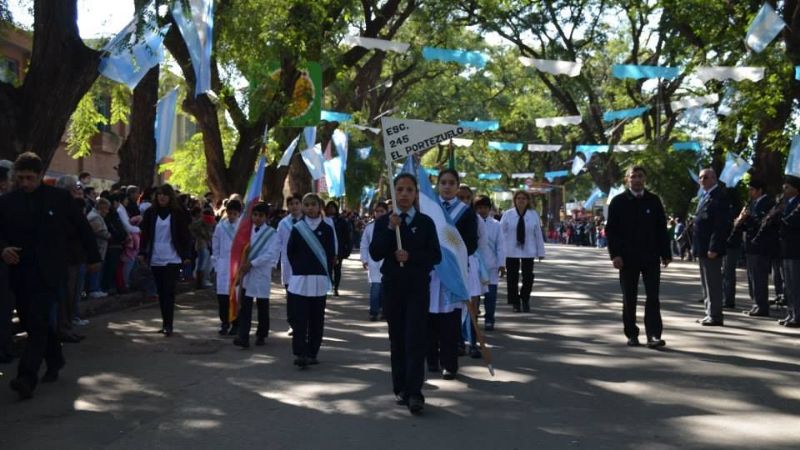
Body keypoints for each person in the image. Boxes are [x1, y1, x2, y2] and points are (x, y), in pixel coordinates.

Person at [0, 152, 101, 399]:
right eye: (21, 178)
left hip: (50, 273)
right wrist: (3, 249)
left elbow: (81, 227)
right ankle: (55, 359)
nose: (25, 183)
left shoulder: (59, 199)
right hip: (20, 272)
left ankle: (26, 377)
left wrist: (94, 257)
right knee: (35, 322)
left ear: (39, 176)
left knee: (37, 324)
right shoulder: (8, 202)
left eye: (30, 178)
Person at [370, 173, 441, 415]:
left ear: (415, 194)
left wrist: (411, 257)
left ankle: (415, 392)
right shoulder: (384, 222)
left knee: (415, 339)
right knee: (397, 339)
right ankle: (400, 387)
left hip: (418, 288)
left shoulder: (425, 222)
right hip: (393, 287)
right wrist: (391, 229)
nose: (404, 194)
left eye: (409, 190)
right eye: (400, 189)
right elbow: (376, 252)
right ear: (393, 193)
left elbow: (435, 256)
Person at [605, 166, 672, 347]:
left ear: (645, 179)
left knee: (653, 296)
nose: (637, 180)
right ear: (627, 180)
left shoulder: (654, 200)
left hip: (651, 257)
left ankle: (654, 335)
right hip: (627, 258)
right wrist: (615, 255)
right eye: (633, 177)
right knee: (629, 296)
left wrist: (666, 253)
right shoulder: (618, 202)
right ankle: (631, 334)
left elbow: (661, 229)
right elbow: (611, 231)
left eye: (640, 176)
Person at [428, 169, 476, 380]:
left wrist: (452, 252)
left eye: (451, 183)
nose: (447, 186)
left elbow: (471, 243)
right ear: (438, 185)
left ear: (458, 186)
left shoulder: (465, 212)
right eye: (443, 182)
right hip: (431, 271)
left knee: (450, 320)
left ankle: (450, 364)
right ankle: (431, 360)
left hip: (454, 271)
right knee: (429, 319)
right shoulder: (429, 209)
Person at [286, 193, 336, 368]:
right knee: (300, 318)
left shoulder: (328, 229)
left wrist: (326, 273)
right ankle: (300, 352)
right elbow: (290, 251)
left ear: (319, 206)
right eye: (306, 205)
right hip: (300, 280)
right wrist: (299, 268)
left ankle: (312, 352)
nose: (309, 208)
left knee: (316, 318)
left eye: (313, 204)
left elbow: (331, 254)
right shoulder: (297, 228)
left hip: (319, 280)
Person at [138, 184, 192, 336]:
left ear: (170, 197)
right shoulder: (150, 213)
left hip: (172, 257)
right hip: (156, 256)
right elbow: (145, 235)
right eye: (159, 194)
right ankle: (164, 323)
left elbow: (185, 236)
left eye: (165, 195)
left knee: (169, 290)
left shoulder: (177, 213)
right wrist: (142, 252)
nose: (162, 197)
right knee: (161, 292)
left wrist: (187, 255)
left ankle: (169, 324)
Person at [233, 202, 280, 348]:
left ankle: (261, 334)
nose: (257, 218)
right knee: (245, 306)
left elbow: (270, 254)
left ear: (266, 217)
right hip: (247, 273)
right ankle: (243, 336)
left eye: (260, 215)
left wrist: (252, 263)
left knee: (262, 306)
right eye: (255, 215)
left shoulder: (272, 233)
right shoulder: (247, 231)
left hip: (260, 272)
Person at [693, 168, 732, 326]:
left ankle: (715, 315)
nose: (702, 180)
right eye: (700, 177)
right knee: (706, 282)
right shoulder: (706, 196)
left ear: (714, 178)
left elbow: (720, 225)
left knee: (713, 282)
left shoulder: (719, 197)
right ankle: (709, 312)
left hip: (711, 248)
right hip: (702, 247)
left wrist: (714, 247)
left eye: (705, 177)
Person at [735, 178, 778, 317]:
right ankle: (755, 303)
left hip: (761, 246)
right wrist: (741, 220)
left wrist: (748, 218)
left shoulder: (768, 203)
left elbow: (762, 223)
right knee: (752, 277)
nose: (749, 192)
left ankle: (761, 306)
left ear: (759, 190)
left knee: (759, 278)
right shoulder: (752, 203)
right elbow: (748, 225)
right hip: (750, 245)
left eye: (752, 190)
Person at [499, 191, 545, 313]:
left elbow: (538, 234)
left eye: (523, 198)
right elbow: (500, 234)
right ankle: (515, 302)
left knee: (528, 277)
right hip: (510, 250)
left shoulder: (533, 214)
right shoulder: (508, 214)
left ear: (528, 200)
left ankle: (525, 299)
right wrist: (500, 252)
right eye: (518, 198)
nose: (521, 200)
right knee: (512, 278)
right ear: (514, 200)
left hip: (528, 250)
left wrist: (541, 252)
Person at [211, 199, 242, 335]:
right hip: (223, 265)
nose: (231, 216)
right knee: (223, 297)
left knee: (235, 296)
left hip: (236, 265)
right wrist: (217, 263)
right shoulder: (220, 227)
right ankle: (224, 322)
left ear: (239, 214)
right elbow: (215, 246)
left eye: (234, 213)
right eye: (229, 213)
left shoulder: (243, 228)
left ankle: (236, 322)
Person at [475, 195, 504, 331]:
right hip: (474, 266)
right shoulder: (471, 222)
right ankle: (472, 320)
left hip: (491, 266)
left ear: (489, 208)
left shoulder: (496, 225)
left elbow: (500, 245)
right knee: (474, 296)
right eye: (479, 207)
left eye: (485, 207)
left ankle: (489, 319)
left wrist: (501, 263)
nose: (482, 210)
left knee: (490, 297)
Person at [277, 194, 304, 335]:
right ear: (288, 207)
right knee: (290, 296)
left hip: (303, 265)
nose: (294, 206)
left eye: (296, 203)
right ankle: (292, 324)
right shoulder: (283, 224)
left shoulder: (306, 221)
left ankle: (302, 323)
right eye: (291, 204)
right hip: (288, 265)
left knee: (302, 296)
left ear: (301, 205)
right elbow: (278, 243)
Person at [360, 202, 388, 321]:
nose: (379, 213)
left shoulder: (391, 225)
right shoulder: (370, 227)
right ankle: (374, 311)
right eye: (377, 211)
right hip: (374, 263)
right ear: (374, 213)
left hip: (387, 263)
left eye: (382, 211)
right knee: (375, 287)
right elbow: (364, 244)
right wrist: (364, 259)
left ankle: (385, 310)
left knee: (386, 289)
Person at [778, 175, 800, 327]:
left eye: (787, 187)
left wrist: (779, 216)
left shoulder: (797, 203)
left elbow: (793, 222)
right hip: (786, 249)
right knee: (789, 285)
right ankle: (791, 313)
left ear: (796, 189)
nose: (783, 189)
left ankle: (797, 316)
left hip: (796, 248)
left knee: (796, 284)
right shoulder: (786, 203)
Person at [325, 201, 353, 296]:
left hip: (339, 250)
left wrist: (347, 249)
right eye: (329, 208)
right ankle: (331, 284)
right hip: (327, 249)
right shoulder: (323, 220)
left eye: (333, 207)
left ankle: (336, 287)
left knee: (337, 269)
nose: (331, 209)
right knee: (327, 269)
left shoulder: (341, 221)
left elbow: (347, 236)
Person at [86, 198, 112, 298]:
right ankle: (93, 289)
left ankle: (96, 288)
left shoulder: (97, 216)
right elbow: (99, 231)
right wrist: (109, 236)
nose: (107, 211)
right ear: (102, 207)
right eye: (106, 209)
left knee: (98, 269)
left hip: (100, 248)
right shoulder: (94, 217)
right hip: (97, 247)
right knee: (95, 270)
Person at [189, 206, 214, 289]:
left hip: (202, 244)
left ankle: (200, 282)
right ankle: (200, 282)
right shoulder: (210, 221)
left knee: (202, 263)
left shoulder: (201, 221)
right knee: (202, 263)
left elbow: (191, 228)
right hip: (203, 244)